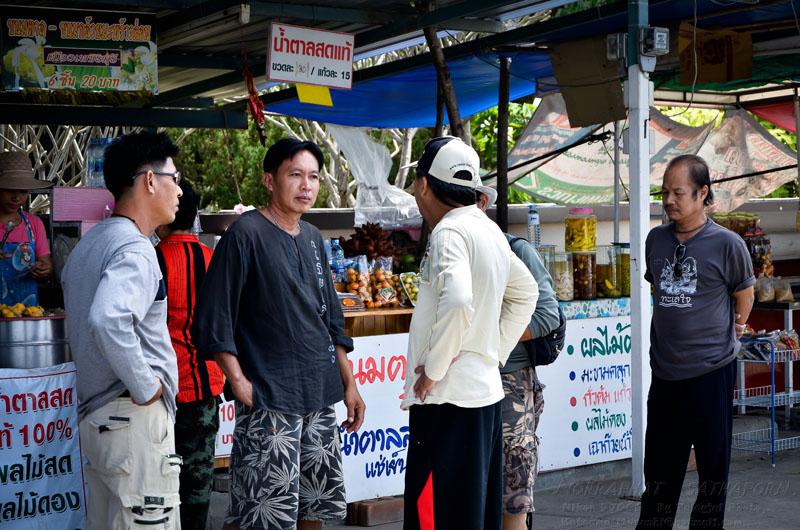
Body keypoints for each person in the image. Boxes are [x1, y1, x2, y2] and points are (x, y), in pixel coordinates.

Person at [191, 137, 365, 530]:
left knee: (312, 507)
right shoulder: (245, 234)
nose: (306, 185)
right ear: (270, 181)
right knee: (262, 511)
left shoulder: (313, 237)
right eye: (295, 175)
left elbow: (330, 322)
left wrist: (349, 384)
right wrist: (238, 381)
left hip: (319, 394)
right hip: (270, 395)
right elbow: (214, 315)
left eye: (313, 177)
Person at [402, 136, 539, 530]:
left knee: (437, 515)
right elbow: (525, 292)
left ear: (423, 184)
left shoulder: (449, 231)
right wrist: (491, 352)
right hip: (483, 395)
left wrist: (434, 369)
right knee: (473, 513)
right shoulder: (488, 228)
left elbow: (459, 299)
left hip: (447, 400)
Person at [62, 131, 184, 529]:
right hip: (132, 418)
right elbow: (108, 318)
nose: (179, 192)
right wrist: (146, 385)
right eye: (175, 179)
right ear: (150, 181)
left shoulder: (92, 242)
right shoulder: (135, 247)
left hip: (99, 418)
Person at [636, 155, 754, 530]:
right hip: (666, 374)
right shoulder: (655, 239)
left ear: (702, 193)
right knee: (658, 469)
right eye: (664, 192)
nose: (669, 200)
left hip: (711, 374)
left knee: (711, 470)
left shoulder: (727, 244)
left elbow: (744, 293)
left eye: (679, 192)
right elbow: (658, 287)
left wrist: (737, 325)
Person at [476, 185, 560, 530]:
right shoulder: (445, 251)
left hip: (510, 382)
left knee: (513, 492)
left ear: (482, 203)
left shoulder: (515, 250)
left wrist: (487, 343)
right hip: (464, 384)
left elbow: (547, 316)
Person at [155, 180, 224, 530]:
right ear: (196, 215)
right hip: (205, 386)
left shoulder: (152, 258)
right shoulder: (213, 260)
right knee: (197, 488)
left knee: (157, 485)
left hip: (159, 391)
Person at [0, 151, 53, 306]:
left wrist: (44, 270)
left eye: (23, 191)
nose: (17, 198)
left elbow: (46, 265)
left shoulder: (34, 224)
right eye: (9, 190)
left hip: (26, 312)